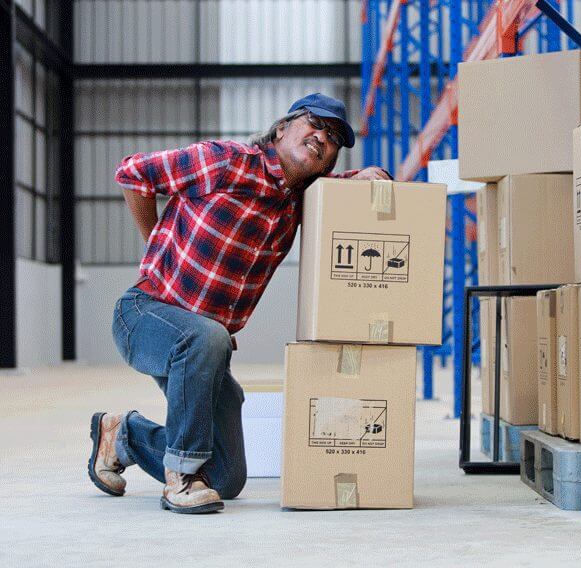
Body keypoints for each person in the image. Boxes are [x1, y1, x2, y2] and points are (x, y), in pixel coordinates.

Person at [88, 93, 390, 514]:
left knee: (227, 478)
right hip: (145, 312)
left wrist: (367, 178)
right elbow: (133, 173)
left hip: (203, 344)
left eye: (334, 138)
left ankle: (122, 435)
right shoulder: (226, 160)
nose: (322, 137)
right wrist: (154, 244)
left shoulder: (299, 200)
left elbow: (343, 188)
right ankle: (180, 478)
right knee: (208, 337)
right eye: (315, 124)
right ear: (282, 127)